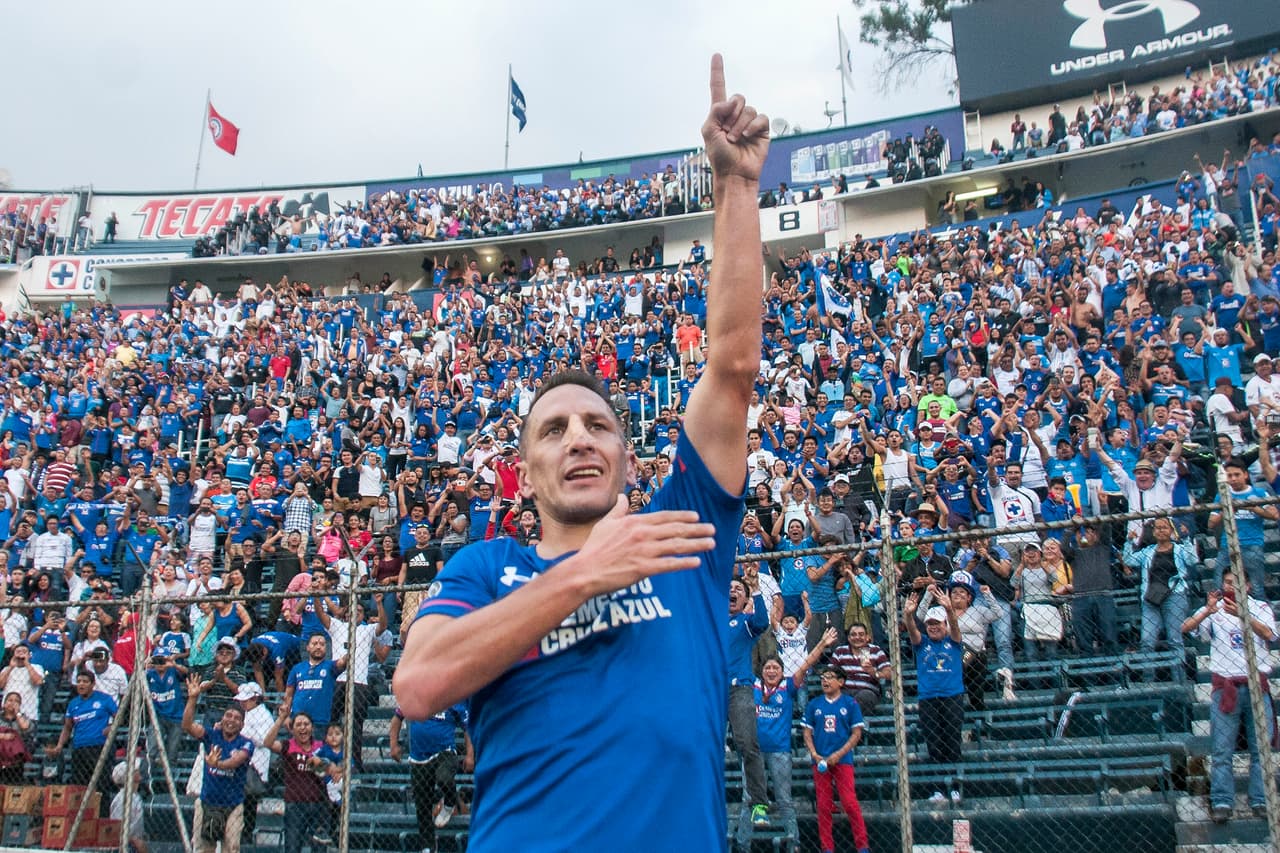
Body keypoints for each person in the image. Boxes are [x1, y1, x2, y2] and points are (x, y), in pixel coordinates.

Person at [394, 54, 769, 851]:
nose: (579, 440)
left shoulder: (683, 533)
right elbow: (419, 685)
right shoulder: (482, 569)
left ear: (630, 457)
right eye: (554, 430)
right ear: (525, 472)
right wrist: (584, 575)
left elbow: (732, 365)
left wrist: (736, 186)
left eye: (598, 426)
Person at [1181, 571, 1275, 823]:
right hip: (1226, 685)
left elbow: (1269, 634)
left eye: (1235, 582)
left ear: (1248, 584)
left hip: (1256, 685)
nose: (1230, 586)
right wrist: (1207, 611)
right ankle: (1222, 800)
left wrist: (1243, 615)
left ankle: (1261, 800)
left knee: (1261, 749)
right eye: (1227, 582)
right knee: (1222, 750)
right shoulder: (1215, 609)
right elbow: (1186, 627)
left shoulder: (1260, 607)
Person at [755, 628, 837, 834]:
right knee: (751, 800)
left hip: (780, 751)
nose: (771, 671)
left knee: (784, 799)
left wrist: (822, 644)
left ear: (783, 672)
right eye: (768, 668)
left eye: (775, 668)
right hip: (754, 753)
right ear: (761, 671)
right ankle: (743, 844)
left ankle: (794, 841)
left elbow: (806, 663)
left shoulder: (788, 687)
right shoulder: (753, 686)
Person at [182, 672, 255, 853]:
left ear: (242, 724)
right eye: (228, 716)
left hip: (232, 805)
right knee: (202, 848)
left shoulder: (246, 743)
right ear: (222, 719)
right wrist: (192, 698)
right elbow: (187, 726)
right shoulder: (211, 735)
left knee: (231, 848)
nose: (231, 720)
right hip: (207, 802)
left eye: (237, 718)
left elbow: (235, 761)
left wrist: (217, 765)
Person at [389, 700, 474, 853]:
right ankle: (427, 846)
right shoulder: (418, 695)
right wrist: (393, 745)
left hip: (444, 751)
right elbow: (396, 719)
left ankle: (449, 802)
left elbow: (468, 729)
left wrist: (470, 755)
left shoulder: (453, 698)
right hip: (418, 756)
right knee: (422, 803)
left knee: (444, 778)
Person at [802, 665, 871, 853]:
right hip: (820, 761)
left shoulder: (850, 703)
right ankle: (827, 848)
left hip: (843, 760)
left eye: (830, 677)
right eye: (823, 677)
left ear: (841, 682)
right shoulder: (814, 704)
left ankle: (862, 846)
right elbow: (807, 732)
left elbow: (856, 733)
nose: (825, 680)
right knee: (823, 806)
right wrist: (815, 754)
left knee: (849, 802)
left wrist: (838, 754)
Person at [727, 576, 771, 836]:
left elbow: (762, 622)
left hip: (739, 689)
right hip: (709, 690)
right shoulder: (710, 620)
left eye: (738, 590)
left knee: (747, 745)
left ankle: (759, 804)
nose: (733, 592)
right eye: (729, 588)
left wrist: (755, 589)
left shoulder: (745, 623)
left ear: (744, 600)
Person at [260, 703, 335, 853]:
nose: (303, 728)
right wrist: (281, 719)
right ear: (292, 729)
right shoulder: (288, 745)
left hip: (319, 805)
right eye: (298, 724)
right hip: (295, 805)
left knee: (319, 848)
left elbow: (332, 769)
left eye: (306, 724)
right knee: (293, 848)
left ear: (312, 728)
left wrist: (321, 765)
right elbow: (267, 743)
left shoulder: (321, 746)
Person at [905, 588, 965, 765]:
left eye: (937, 623)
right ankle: (937, 789)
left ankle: (954, 787)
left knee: (953, 742)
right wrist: (909, 615)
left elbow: (954, 627)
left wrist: (949, 610)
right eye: (929, 623)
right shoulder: (922, 643)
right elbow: (912, 631)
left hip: (952, 696)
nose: (933, 626)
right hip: (928, 698)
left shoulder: (952, 642)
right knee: (933, 743)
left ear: (944, 624)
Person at [1123, 516, 1195, 659]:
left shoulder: (1179, 549)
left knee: (1175, 640)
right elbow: (1128, 560)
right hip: (1151, 598)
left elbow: (1192, 559)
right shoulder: (1148, 552)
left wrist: (1186, 539)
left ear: (1171, 531)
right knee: (1147, 641)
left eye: (1164, 527)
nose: (1161, 530)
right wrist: (1129, 542)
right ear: (1153, 532)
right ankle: (1148, 679)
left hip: (1175, 595)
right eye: (1158, 527)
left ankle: (1179, 678)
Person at [45, 669, 116, 810]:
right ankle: (80, 818)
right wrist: (59, 745)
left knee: (101, 786)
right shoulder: (73, 704)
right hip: (79, 748)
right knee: (79, 786)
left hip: (99, 747)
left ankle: (101, 818)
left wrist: (112, 727)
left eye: (85, 681)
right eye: (79, 681)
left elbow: (120, 716)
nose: (81, 684)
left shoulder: (104, 699)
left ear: (93, 684)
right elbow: (67, 727)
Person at [0, 691, 34, 784]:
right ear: (4, 703)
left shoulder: (23, 718)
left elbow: (25, 727)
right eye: (10, 700)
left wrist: (17, 713)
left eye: (16, 701)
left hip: (15, 761)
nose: (12, 703)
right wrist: (3, 736)